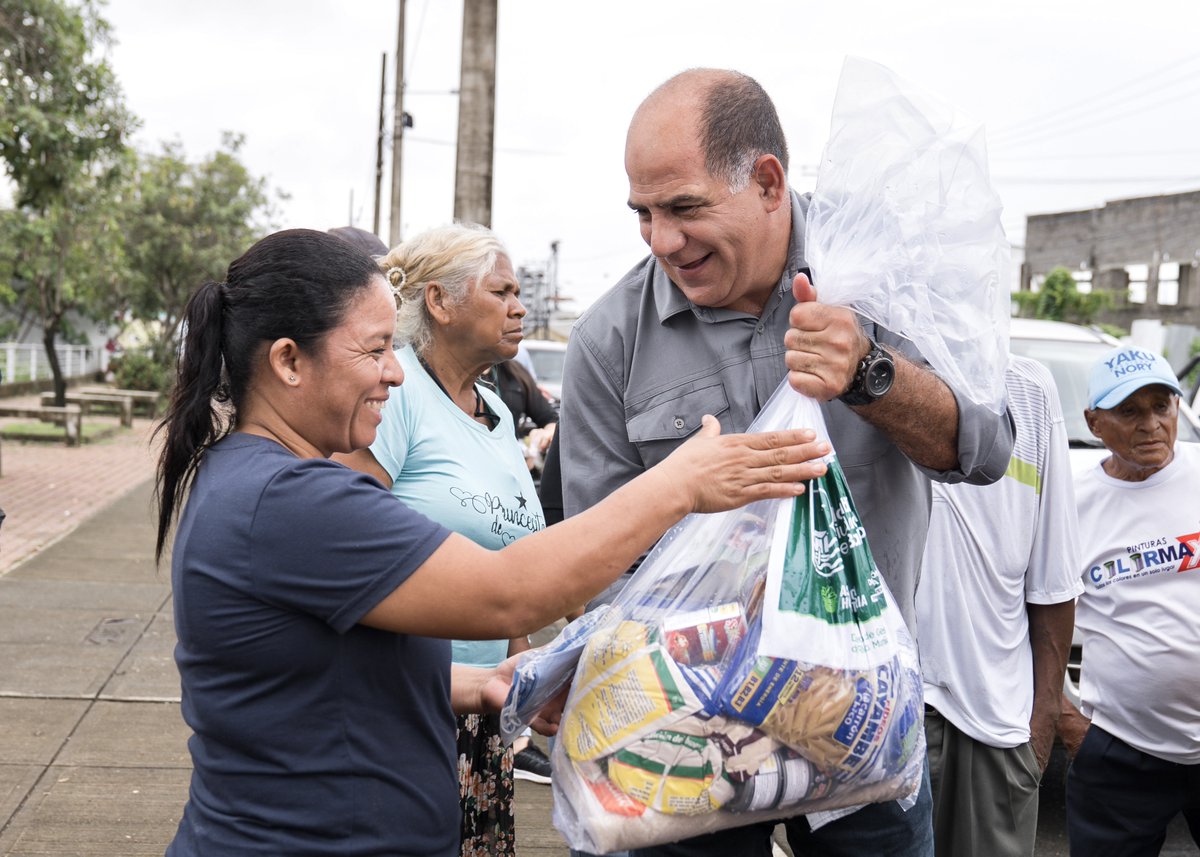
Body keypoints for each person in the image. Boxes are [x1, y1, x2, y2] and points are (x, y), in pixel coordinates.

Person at [154, 228, 830, 857]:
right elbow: (507, 593)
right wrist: (679, 485)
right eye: (374, 348)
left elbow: (312, 670)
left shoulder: (256, 479)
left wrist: (484, 683)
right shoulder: (293, 499)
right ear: (287, 362)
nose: (394, 372)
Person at [550, 69, 1014, 857]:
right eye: (644, 213)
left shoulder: (878, 272)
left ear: (768, 182)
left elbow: (984, 450)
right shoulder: (610, 341)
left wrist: (872, 373)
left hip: (861, 719)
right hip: (688, 737)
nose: (663, 240)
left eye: (685, 208)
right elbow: (602, 561)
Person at [334, 222, 549, 853]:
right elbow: (351, 538)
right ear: (439, 301)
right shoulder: (396, 397)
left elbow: (510, 546)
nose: (519, 306)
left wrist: (520, 680)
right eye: (501, 291)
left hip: (484, 710)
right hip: (407, 700)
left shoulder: (499, 411)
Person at [916, 354, 1082, 857]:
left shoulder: (1028, 388)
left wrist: (1041, 726)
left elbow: (1052, 580)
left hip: (998, 721)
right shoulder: (859, 365)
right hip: (886, 711)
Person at [1057, 345, 1200, 857]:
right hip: (1122, 752)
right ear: (1094, 422)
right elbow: (1033, 618)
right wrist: (1068, 722)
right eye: (1129, 412)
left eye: (1161, 407)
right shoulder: (1071, 503)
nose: (1151, 425)